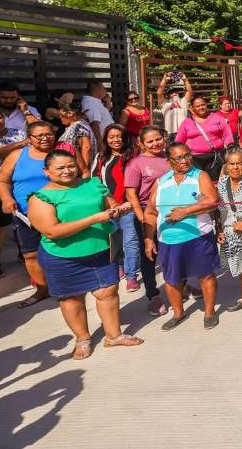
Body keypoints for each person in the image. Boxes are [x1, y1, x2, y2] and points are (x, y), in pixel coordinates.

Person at [26, 150, 143, 359]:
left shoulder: (93, 184)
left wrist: (118, 210)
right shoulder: (41, 198)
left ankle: (113, 336)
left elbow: (110, 205)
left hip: (102, 249)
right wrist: (94, 219)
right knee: (72, 298)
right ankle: (82, 338)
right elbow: (52, 231)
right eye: (60, 168)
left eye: (71, 166)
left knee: (108, 292)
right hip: (63, 256)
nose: (67, 171)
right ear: (46, 171)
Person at [143, 143, 221, 331]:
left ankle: (209, 312)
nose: (185, 160)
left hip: (198, 236)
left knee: (206, 275)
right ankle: (178, 313)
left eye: (187, 155)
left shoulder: (200, 176)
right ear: (169, 161)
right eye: (179, 158)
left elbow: (213, 200)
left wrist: (185, 212)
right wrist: (148, 239)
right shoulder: (161, 182)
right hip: (168, 240)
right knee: (171, 279)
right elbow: (151, 212)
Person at [0, 120, 56, 306]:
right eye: (40, 135)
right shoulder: (17, 155)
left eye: (49, 134)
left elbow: (82, 174)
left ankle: (66, 286)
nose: (45, 138)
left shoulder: (61, 152)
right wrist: (6, 198)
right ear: (29, 138)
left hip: (59, 212)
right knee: (30, 254)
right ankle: (42, 289)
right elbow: (2, 181)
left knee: (61, 250)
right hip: (24, 215)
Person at [124, 126, 173, 316]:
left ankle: (181, 285)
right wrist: (141, 216)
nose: (155, 144)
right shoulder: (136, 163)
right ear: (141, 143)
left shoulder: (171, 157)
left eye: (158, 139)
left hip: (172, 212)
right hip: (147, 213)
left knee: (174, 251)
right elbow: (131, 193)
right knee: (149, 255)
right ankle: (153, 295)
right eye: (150, 141)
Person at [91, 124, 140, 292]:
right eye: (111, 137)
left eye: (119, 136)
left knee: (131, 241)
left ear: (125, 137)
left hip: (129, 207)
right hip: (109, 208)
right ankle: (119, 266)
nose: (115, 140)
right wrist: (109, 204)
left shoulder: (134, 156)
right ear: (106, 139)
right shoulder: (100, 157)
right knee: (115, 240)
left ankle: (132, 276)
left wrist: (129, 203)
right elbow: (95, 182)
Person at [0, 107, 27, 278]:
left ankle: (25, 252)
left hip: (19, 184)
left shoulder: (17, 132)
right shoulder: (19, 139)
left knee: (23, 221)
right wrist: (20, 144)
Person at [176, 96, 234, 180]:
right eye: (197, 106)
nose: (201, 107)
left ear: (206, 105)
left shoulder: (217, 118)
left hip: (215, 157)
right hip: (194, 159)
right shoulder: (187, 122)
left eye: (203, 105)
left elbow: (227, 133)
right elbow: (179, 141)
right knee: (198, 182)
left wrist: (230, 145)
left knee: (216, 182)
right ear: (192, 108)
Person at [56, 104, 96, 177]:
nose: (60, 117)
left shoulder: (78, 125)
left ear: (70, 114)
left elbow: (86, 147)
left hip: (80, 172)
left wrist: (84, 170)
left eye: (61, 115)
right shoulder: (75, 126)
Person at [157, 72, 193, 139]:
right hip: (171, 133)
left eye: (176, 91)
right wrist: (164, 80)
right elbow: (159, 93)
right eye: (171, 92)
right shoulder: (165, 104)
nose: (174, 93)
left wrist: (185, 80)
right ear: (167, 96)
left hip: (184, 131)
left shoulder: (183, 101)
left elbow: (190, 92)